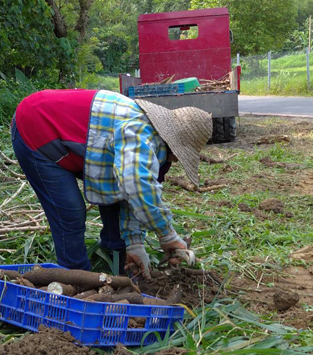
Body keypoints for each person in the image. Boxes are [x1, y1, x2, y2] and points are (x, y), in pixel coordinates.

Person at [11, 89, 212, 278]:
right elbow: (138, 186)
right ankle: (76, 278)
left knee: (113, 194)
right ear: (174, 147)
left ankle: (116, 260)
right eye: (178, 157)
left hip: (67, 136)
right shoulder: (140, 132)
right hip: (36, 127)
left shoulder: (148, 135)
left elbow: (126, 192)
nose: (175, 162)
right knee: (70, 212)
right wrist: (167, 235)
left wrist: (134, 244)